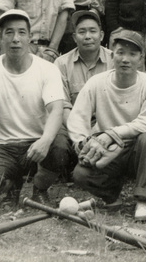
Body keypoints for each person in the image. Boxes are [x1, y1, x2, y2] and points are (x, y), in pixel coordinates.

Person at [0, 10, 67, 208]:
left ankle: (39, 190)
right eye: (9, 33)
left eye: (21, 33)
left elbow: (56, 110)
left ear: (29, 37)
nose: (15, 39)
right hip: (3, 145)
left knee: (59, 147)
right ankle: (11, 187)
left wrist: (45, 140)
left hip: (38, 142)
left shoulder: (47, 69)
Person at [67, 29, 146, 221]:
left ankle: (144, 200)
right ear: (112, 55)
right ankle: (111, 197)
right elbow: (77, 117)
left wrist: (111, 134)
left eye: (132, 54)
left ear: (141, 58)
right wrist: (82, 143)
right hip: (107, 151)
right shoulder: (97, 82)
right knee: (80, 173)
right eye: (120, 53)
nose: (125, 59)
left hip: (138, 149)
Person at [55, 10, 113, 180]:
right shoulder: (62, 63)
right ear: (74, 37)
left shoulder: (114, 60)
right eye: (82, 32)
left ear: (101, 35)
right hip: (72, 125)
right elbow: (63, 105)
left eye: (93, 31)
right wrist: (80, 135)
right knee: (58, 144)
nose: (88, 36)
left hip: (107, 125)